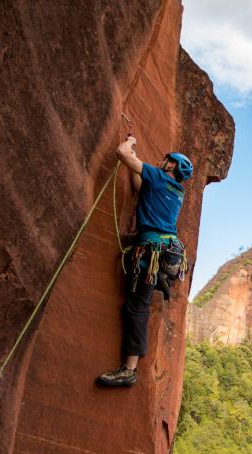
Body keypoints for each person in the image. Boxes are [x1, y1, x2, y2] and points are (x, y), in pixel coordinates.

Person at [96, 135, 193, 387]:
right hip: (166, 249)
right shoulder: (177, 191)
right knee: (141, 300)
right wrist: (136, 158)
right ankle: (161, 277)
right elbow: (140, 186)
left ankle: (129, 369)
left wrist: (132, 141)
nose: (162, 161)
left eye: (166, 160)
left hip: (150, 250)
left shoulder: (159, 178)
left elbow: (121, 154)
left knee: (136, 308)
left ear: (171, 166)